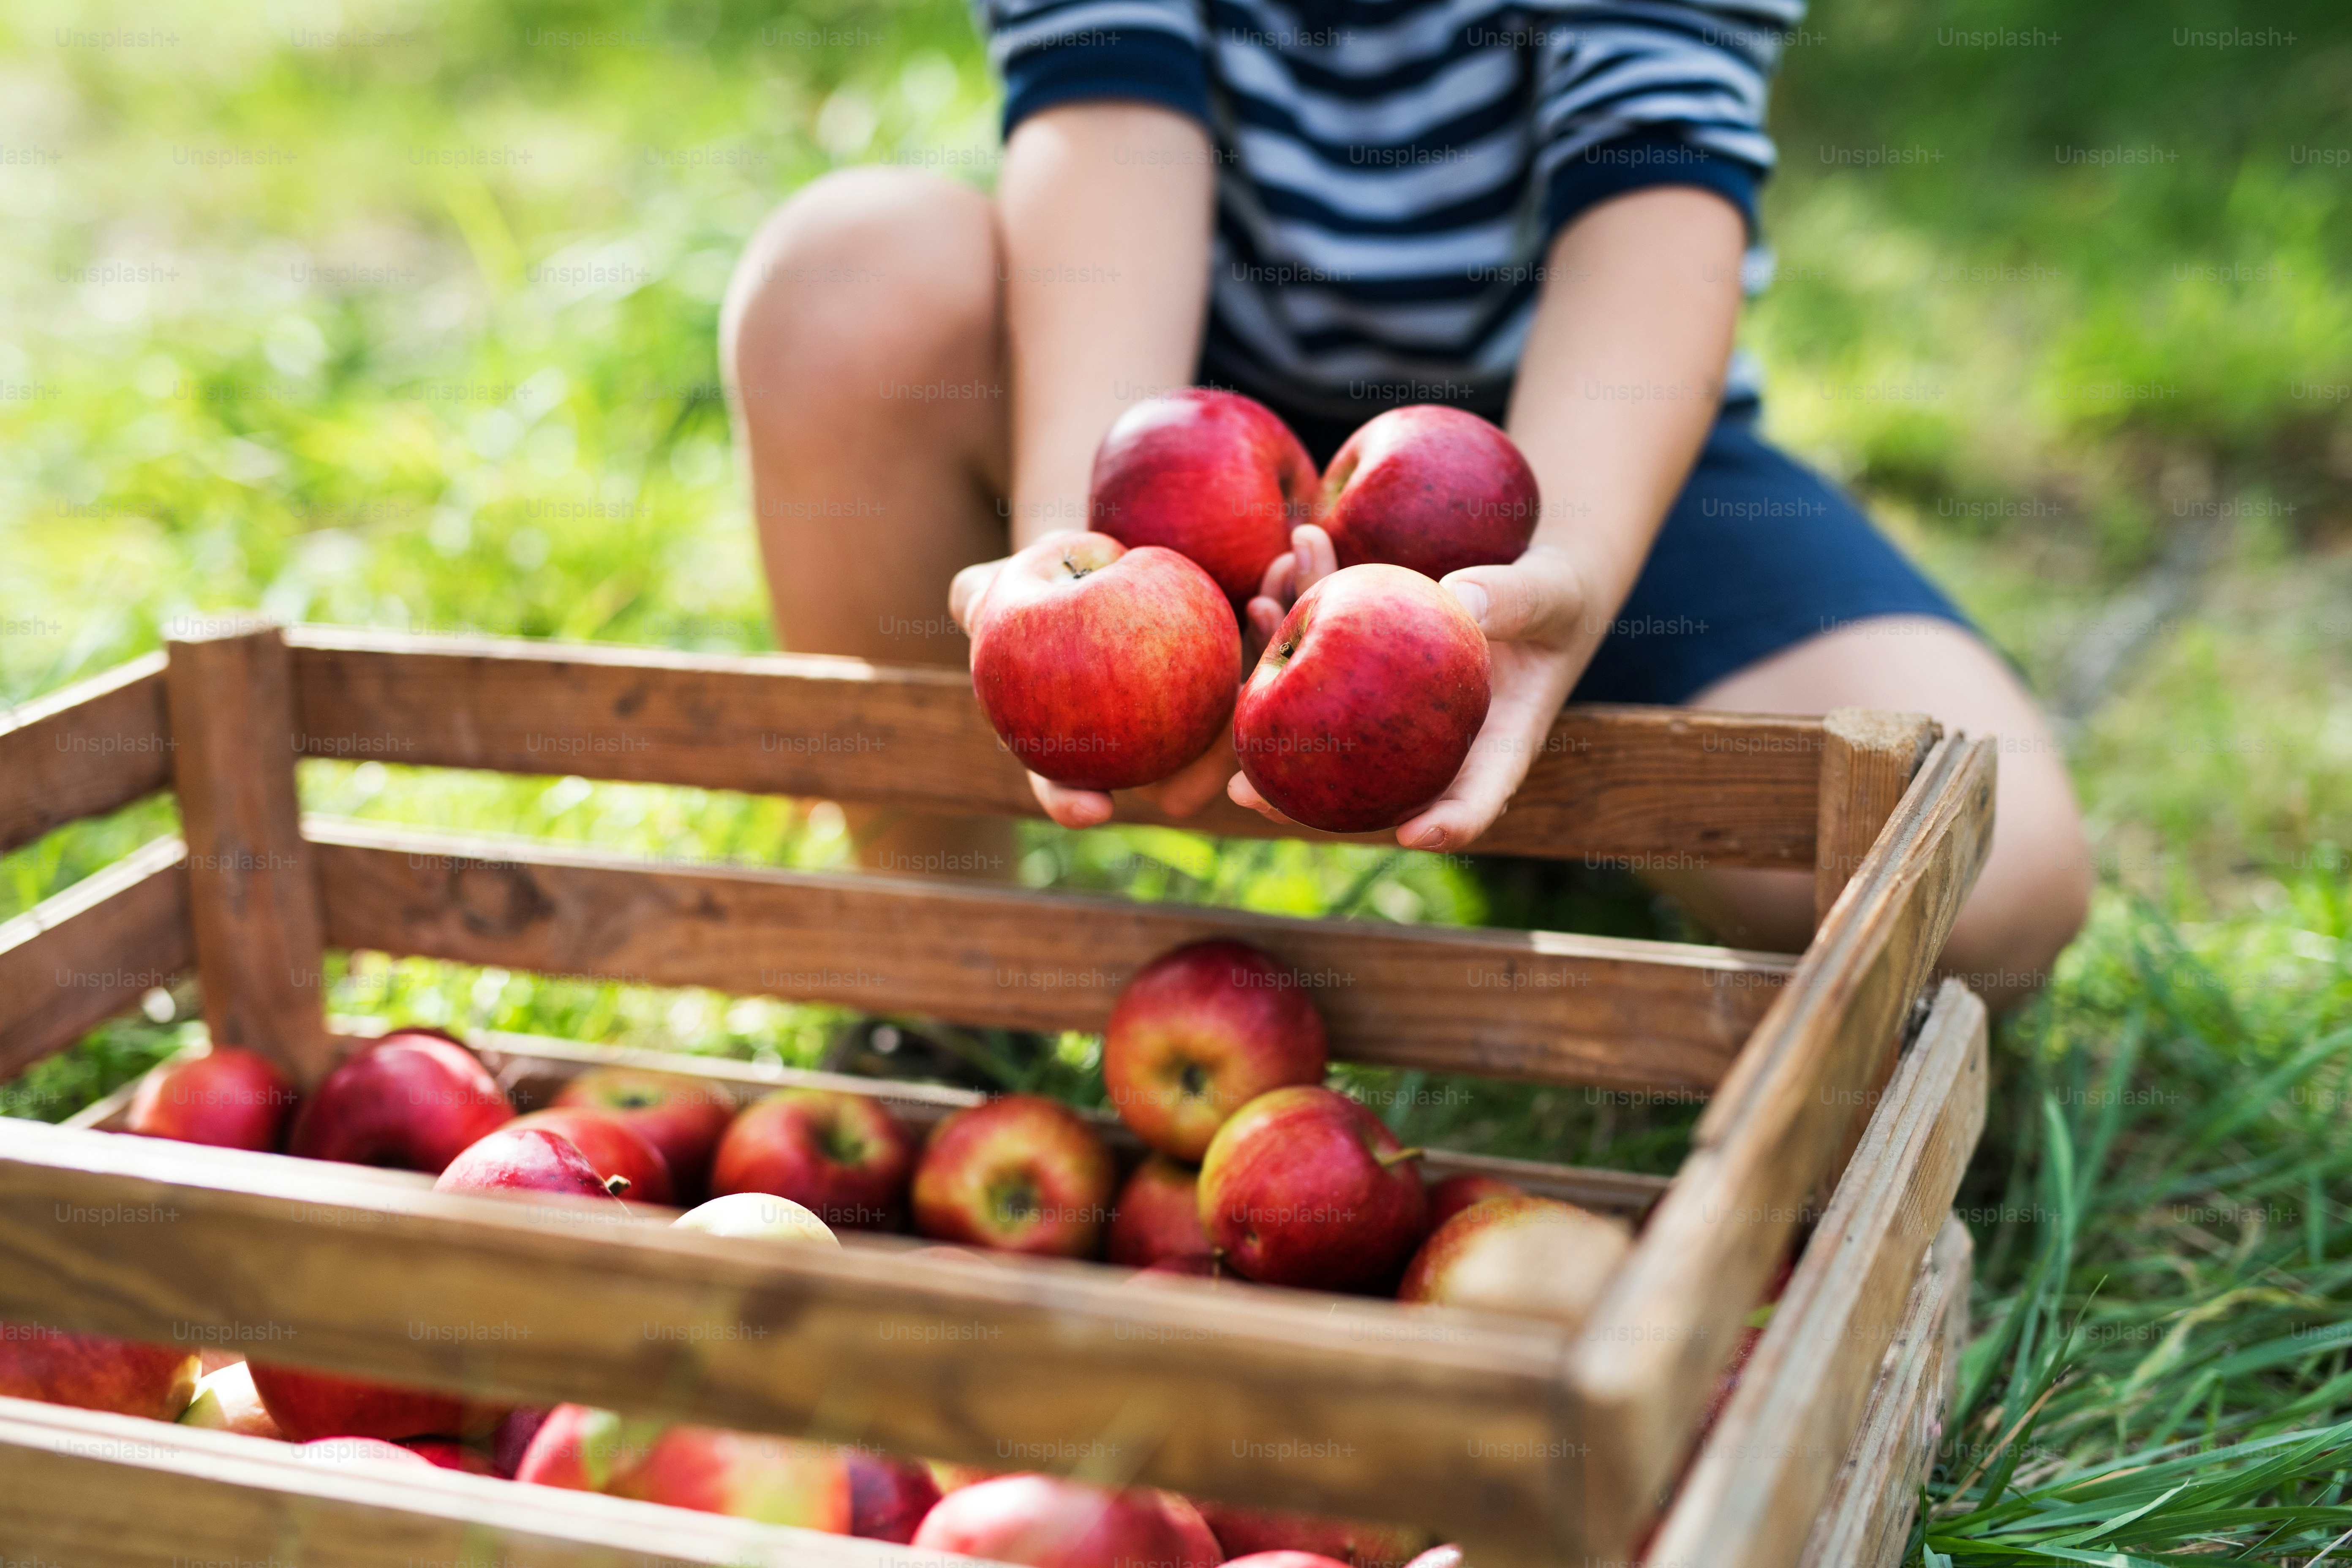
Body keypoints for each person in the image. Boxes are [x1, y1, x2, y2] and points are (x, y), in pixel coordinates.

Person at [721, 0, 2089, 1004]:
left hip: (1567, 447)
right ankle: (926, 956)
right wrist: (1077, 561)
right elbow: (1107, 103)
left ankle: (1549, 784)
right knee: (846, 284)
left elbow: (1658, 167)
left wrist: (1570, 569)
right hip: (1190, 416)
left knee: (1994, 880)